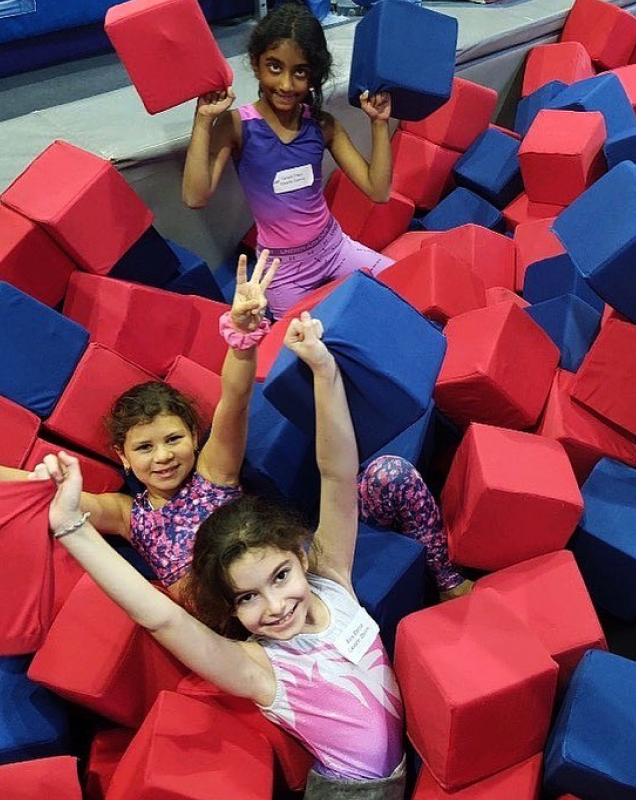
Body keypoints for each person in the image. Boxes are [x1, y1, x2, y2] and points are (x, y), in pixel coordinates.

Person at [33, 313, 407, 799]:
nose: (275, 605)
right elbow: (162, 619)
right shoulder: (258, 667)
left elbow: (335, 472)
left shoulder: (326, 576)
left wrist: (320, 368)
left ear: (299, 554)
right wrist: (69, 526)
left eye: (280, 578)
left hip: (400, 758)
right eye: (249, 597)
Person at [0, 252, 470, 600]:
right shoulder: (128, 514)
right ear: (123, 457)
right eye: (144, 448)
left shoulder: (213, 471)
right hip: (238, 612)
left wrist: (243, 338)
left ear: (193, 437)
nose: (162, 456)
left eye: (173, 439)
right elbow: (48, 495)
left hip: (300, 567)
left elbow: (237, 398)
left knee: (391, 472)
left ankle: (445, 581)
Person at [181, 1, 396, 315]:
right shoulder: (237, 126)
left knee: (401, 283)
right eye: (275, 67)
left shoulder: (323, 126)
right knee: (301, 349)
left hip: (333, 247)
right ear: (256, 64)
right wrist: (203, 121)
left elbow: (378, 190)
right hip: (282, 268)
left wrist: (379, 123)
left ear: (313, 76)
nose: (285, 84)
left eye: (300, 72)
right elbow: (194, 196)